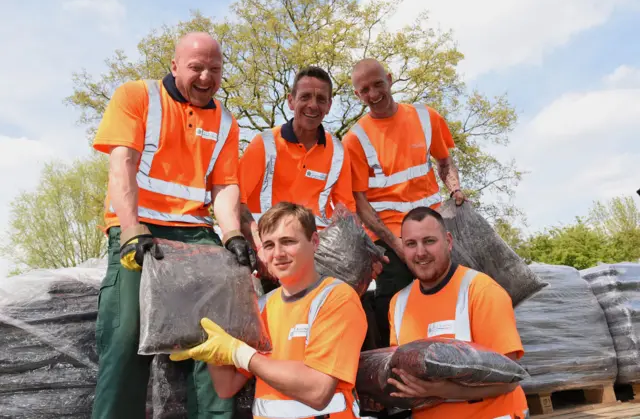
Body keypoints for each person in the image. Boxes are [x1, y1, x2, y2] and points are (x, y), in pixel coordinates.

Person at [91, 32, 256, 419]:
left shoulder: (226, 122)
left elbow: (225, 184)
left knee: (218, 334)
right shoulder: (137, 96)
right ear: (175, 66)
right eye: (196, 67)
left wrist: (232, 233)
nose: (205, 77)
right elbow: (123, 164)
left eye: (214, 69)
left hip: (195, 233)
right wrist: (131, 230)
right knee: (128, 332)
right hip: (141, 230)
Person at [170, 202, 367, 418]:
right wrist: (214, 336)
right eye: (269, 245)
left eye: (288, 241)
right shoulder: (262, 306)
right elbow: (226, 387)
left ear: (314, 242)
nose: (278, 253)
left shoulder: (336, 298)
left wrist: (239, 353)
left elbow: (318, 391)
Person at [342, 58, 466, 347]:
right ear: (356, 94)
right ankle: (396, 369)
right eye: (364, 90)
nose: (373, 95)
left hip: (433, 225)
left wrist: (456, 190)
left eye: (377, 85)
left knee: (452, 292)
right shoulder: (355, 139)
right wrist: (396, 244)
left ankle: (457, 353)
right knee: (394, 301)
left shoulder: (426, 118)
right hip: (390, 236)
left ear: (390, 78)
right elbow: (360, 202)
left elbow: (445, 162)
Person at [387, 206, 528, 419]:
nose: (420, 252)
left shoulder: (481, 291)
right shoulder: (398, 303)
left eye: (429, 241)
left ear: (449, 242)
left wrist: (442, 391)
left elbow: (508, 381)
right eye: (410, 244)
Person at [238, 66, 356, 277]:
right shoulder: (263, 144)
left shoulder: (338, 150)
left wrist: (360, 251)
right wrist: (261, 248)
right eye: (305, 97)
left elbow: (345, 210)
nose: (313, 105)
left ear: (329, 106)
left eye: (321, 99)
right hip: (269, 259)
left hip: (317, 258)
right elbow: (238, 203)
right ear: (291, 101)